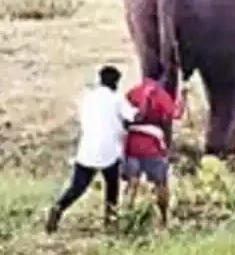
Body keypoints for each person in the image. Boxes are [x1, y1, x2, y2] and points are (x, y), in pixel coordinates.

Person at [46, 65, 137, 233]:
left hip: (87, 149)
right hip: (109, 151)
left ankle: (58, 208)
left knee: (77, 187)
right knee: (112, 186)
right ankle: (110, 220)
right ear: (116, 82)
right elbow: (132, 117)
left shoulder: (88, 98)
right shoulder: (116, 99)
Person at [122, 75, 182, 229]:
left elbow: (125, 115)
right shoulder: (162, 95)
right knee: (161, 184)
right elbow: (174, 116)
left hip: (132, 145)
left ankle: (125, 219)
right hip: (152, 146)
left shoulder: (133, 92)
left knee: (132, 184)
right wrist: (184, 98)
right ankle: (164, 219)